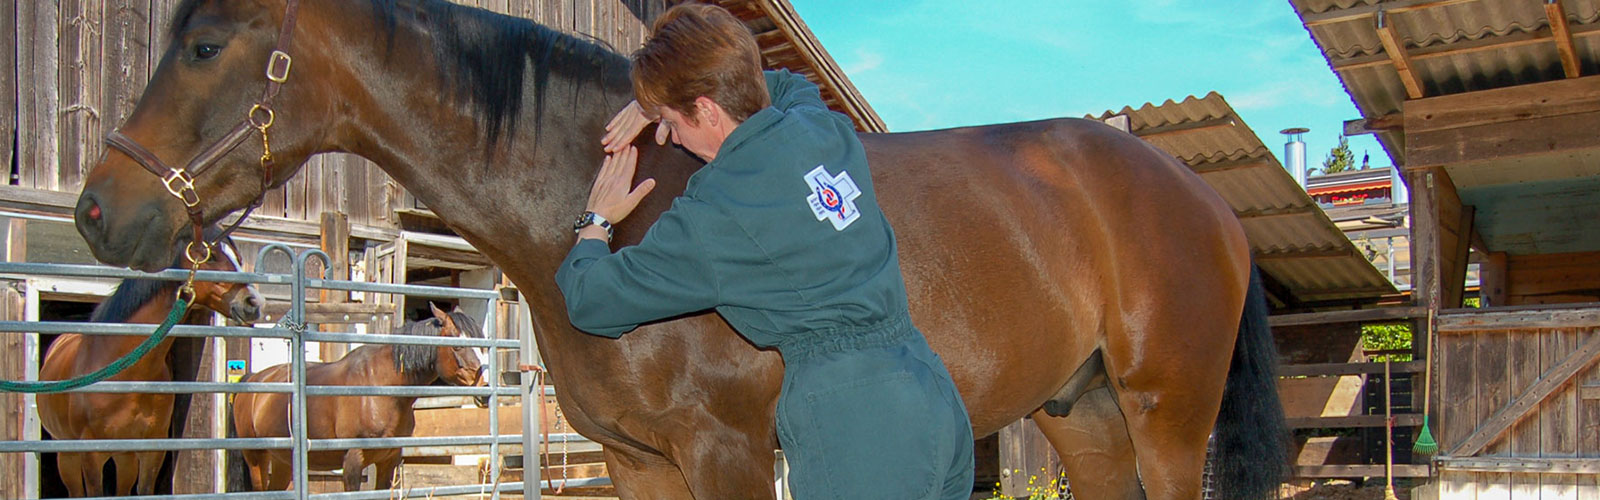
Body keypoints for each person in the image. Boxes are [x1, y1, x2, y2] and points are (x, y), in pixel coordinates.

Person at [554, 4, 973, 499]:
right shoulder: (819, 129)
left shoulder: (717, 211)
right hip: (930, 389)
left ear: (706, 109)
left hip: (854, 422)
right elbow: (793, 86)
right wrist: (671, 97)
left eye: (671, 119)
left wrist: (596, 223)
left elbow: (592, 300)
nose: (672, 134)